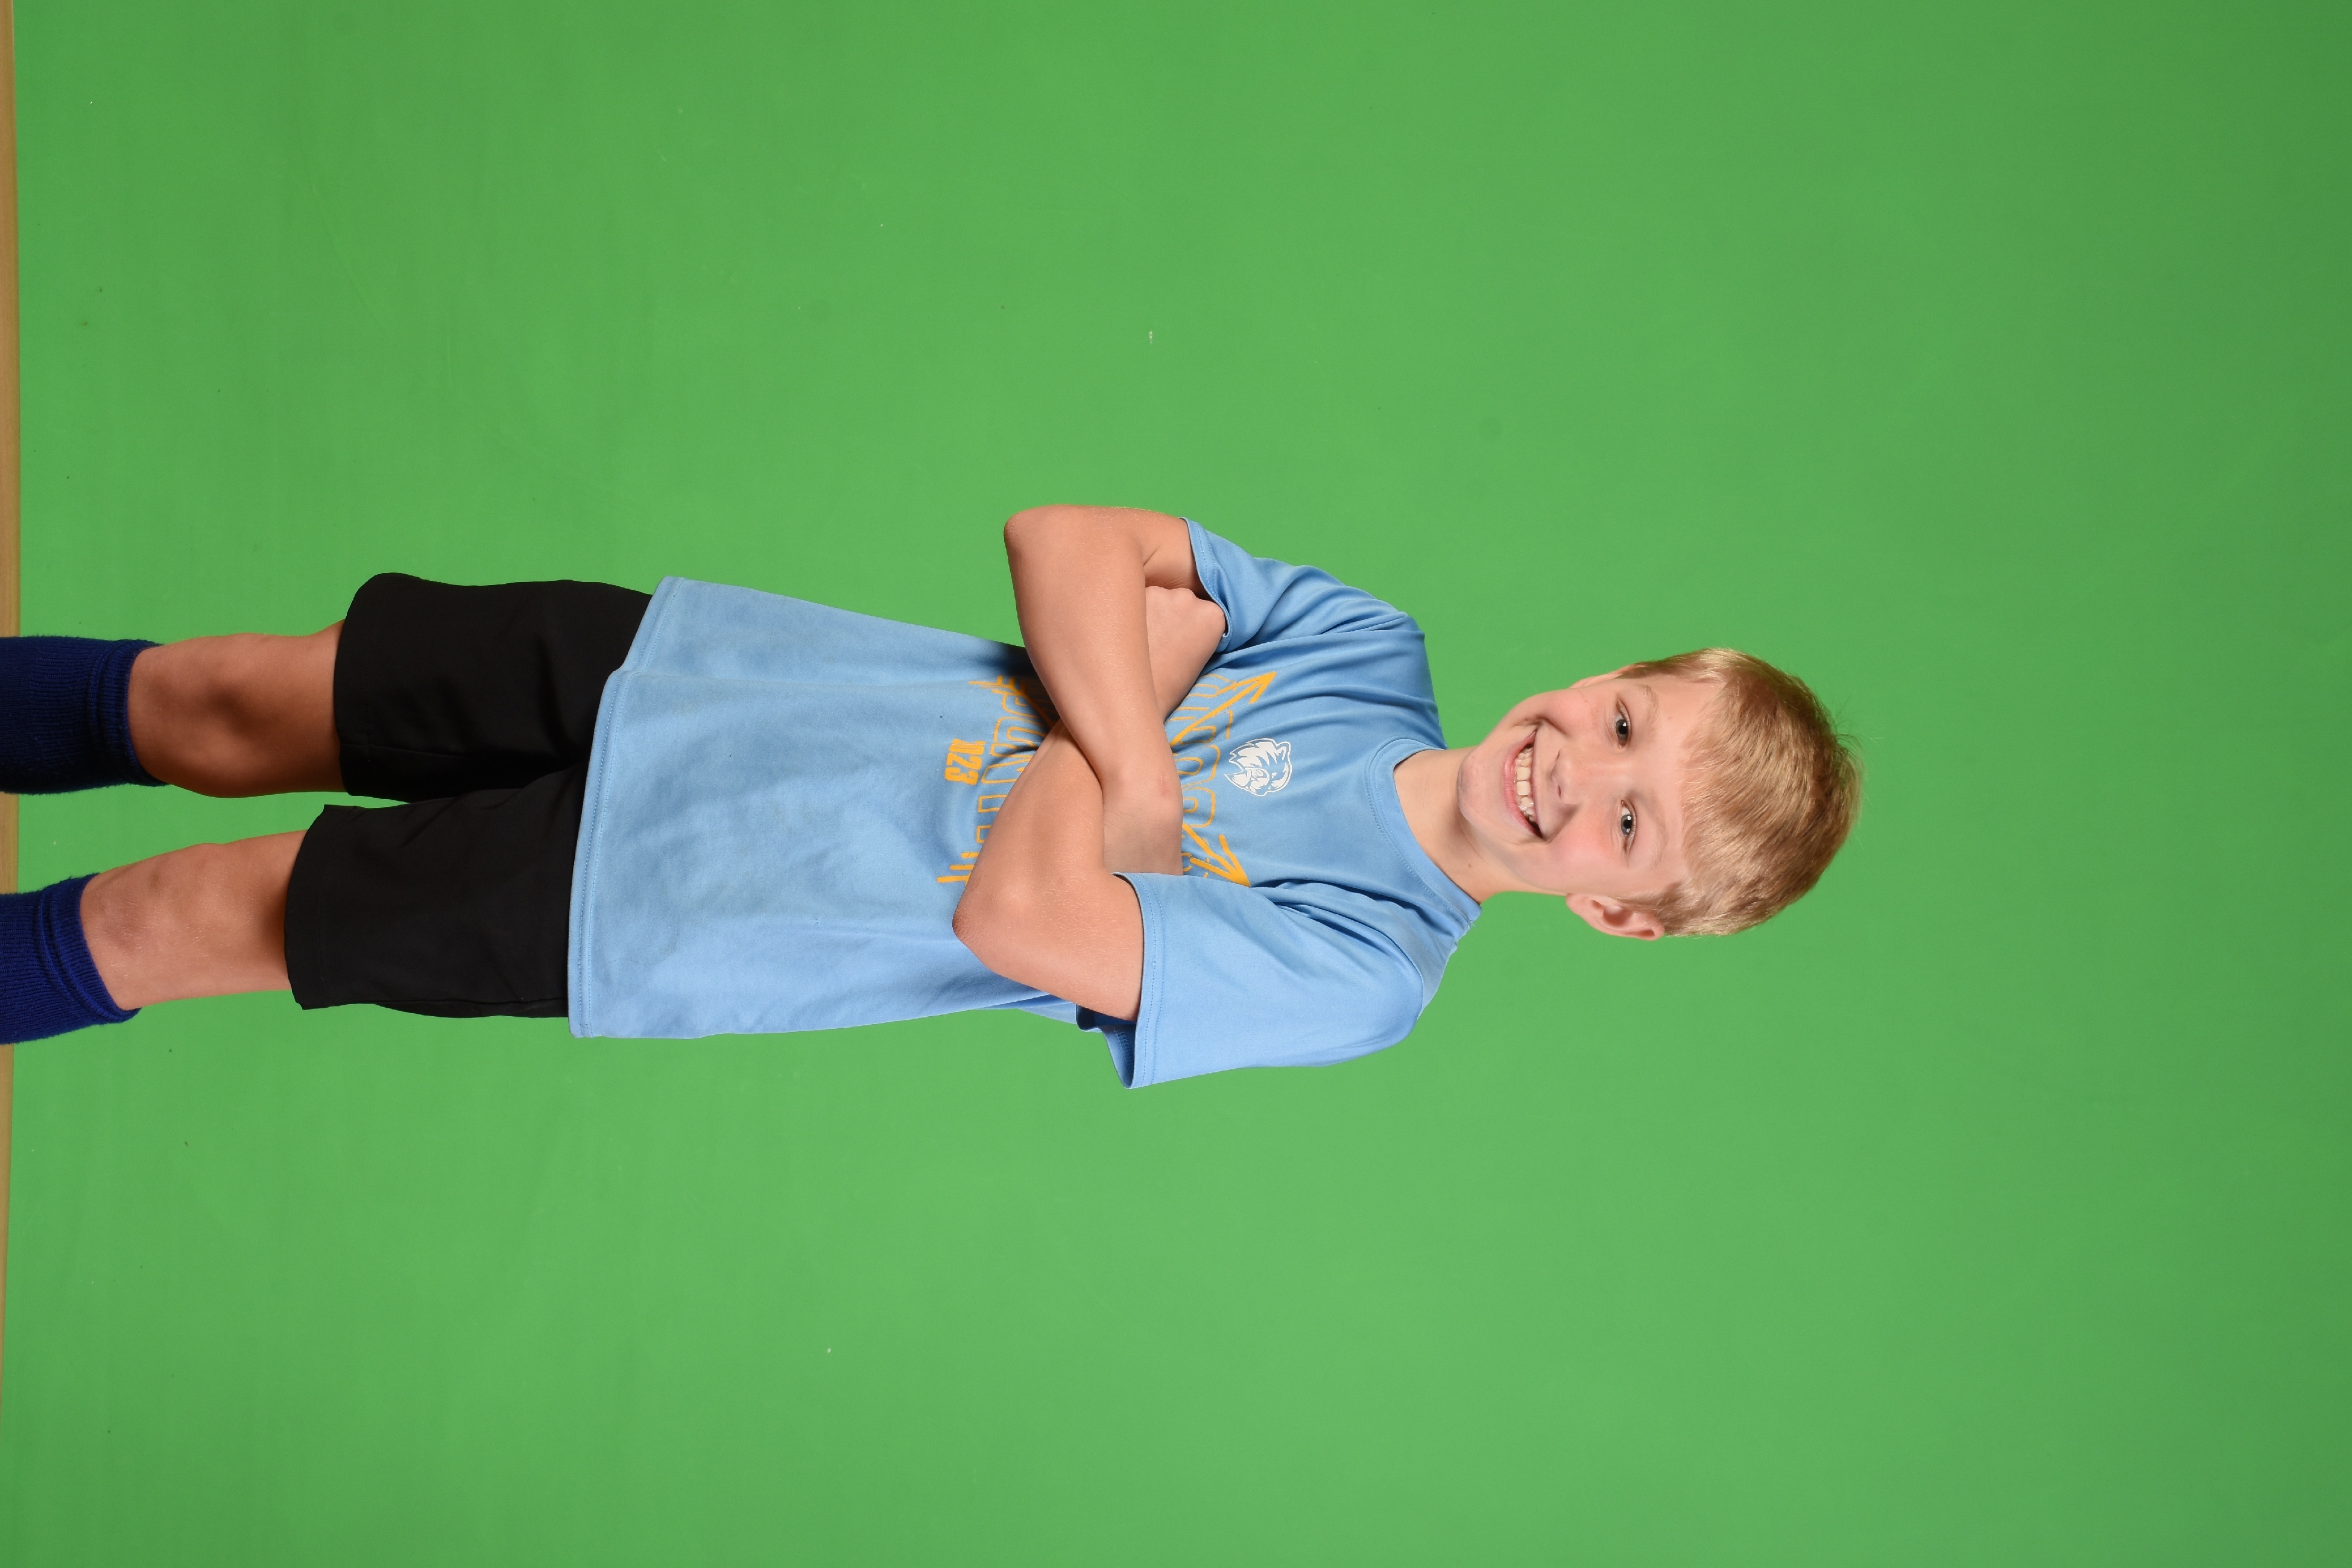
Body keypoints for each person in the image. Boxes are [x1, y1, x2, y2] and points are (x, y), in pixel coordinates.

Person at [0, 507, 1859, 1086]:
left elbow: (1020, 919)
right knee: (210, 696)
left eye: (1628, 823)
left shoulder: (1365, 965)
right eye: (1624, 722)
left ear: (1616, 910)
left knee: (178, 915)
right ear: (1608, 675)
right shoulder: (1372, 648)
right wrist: (1131, 759)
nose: (1575, 768)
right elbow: (1064, 543)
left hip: (677, 894)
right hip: (706, 670)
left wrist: (1135, 682)